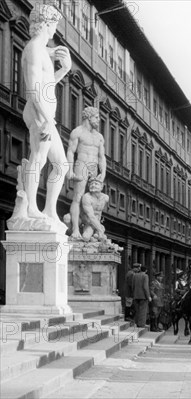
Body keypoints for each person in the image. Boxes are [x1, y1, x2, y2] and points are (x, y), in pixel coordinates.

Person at [21, 3, 71, 225]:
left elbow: (47, 85)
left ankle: (50, 210)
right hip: (39, 113)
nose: (54, 31)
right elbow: (32, 89)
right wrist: (46, 119)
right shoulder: (33, 48)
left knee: (61, 165)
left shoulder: (43, 51)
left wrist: (64, 70)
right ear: (46, 24)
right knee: (38, 158)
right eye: (54, 25)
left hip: (45, 114)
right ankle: (31, 206)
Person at [66, 107, 106, 239]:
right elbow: (71, 151)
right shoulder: (77, 132)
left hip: (94, 167)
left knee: (94, 198)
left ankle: (92, 229)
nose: (98, 120)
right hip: (82, 164)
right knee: (77, 197)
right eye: (96, 117)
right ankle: (76, 230)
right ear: (88, 117)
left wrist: (103, 173)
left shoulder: (99, 137)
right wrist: (70, 169)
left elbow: (102, 157)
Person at [78, 177, 109, 242]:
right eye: (91, 184)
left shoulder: (105, 198)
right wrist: (100, 230)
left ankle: (96, 233)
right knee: (85, 237)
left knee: (89, 236)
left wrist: (98, 227)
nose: (93, 185)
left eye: (96, 184)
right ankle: (95, 232)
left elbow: (99, 212)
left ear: (101, 187)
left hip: (95, 221)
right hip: (85, 221)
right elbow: (91, 216)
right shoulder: (87, 197)